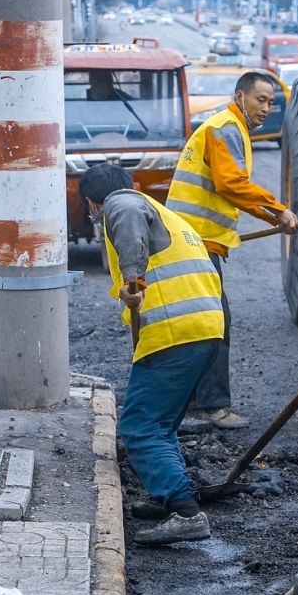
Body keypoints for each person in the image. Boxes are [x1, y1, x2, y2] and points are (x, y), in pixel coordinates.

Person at [80, 163, 225, 546]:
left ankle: (185, 512)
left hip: (174, 330)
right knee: (162, 425)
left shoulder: (122, 203)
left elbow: (124, 217)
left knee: (141, 427)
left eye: (92, 209)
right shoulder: (164, 214)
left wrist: (133, 281)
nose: (95, 216)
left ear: (94, 202)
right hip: (204, 327)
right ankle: (169, 495)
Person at [167, 71, 298, 429]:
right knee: (215, 323)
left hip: (192, 240)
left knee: (200, 322)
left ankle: (195, 402)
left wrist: (270, 214)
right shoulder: (225, 126)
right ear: (240, 96)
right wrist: (277, 210)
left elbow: (228, 186)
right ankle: (212, 407)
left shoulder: (227, 127)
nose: (267, 108)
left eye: (272, 103)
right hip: (193, 242)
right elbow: (231, 184)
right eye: (261, 99)